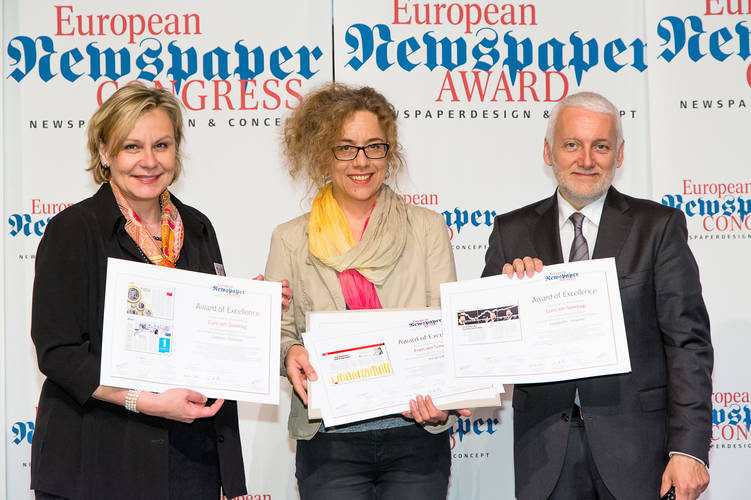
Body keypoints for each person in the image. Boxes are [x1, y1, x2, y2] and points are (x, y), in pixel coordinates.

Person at [30, 84, 290, 499]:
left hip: (190, 461)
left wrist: (248, 311)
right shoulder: (73, 231)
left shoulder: (198, 227)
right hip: (97, 462)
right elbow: (58, 352)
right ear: (104, 152)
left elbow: (207, 344)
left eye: (162, 145)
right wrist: (144, 400)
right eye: (131, 146)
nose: (149, 161)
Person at [482, 91, 713, 500]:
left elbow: (687, 343)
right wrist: (508, 299)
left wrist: (688, 449)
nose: (586, 160)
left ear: (619, 154)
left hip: (639, 451)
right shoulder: (510, 232)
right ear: (548, 152)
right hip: (544, 455)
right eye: (572, 144)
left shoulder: (658, 227)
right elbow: (486, 345)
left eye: (601, 146)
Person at [264, 83, 470, 500]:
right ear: (323, 154)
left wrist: (446, 396)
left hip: (415, 434)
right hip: (329, 441)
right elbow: (277, 333)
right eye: (345, 148)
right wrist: (289, 352)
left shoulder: (427, 228)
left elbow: (447, 328)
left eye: (374, 147)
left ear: (389, 153)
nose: (361, 161)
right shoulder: (290, 238)